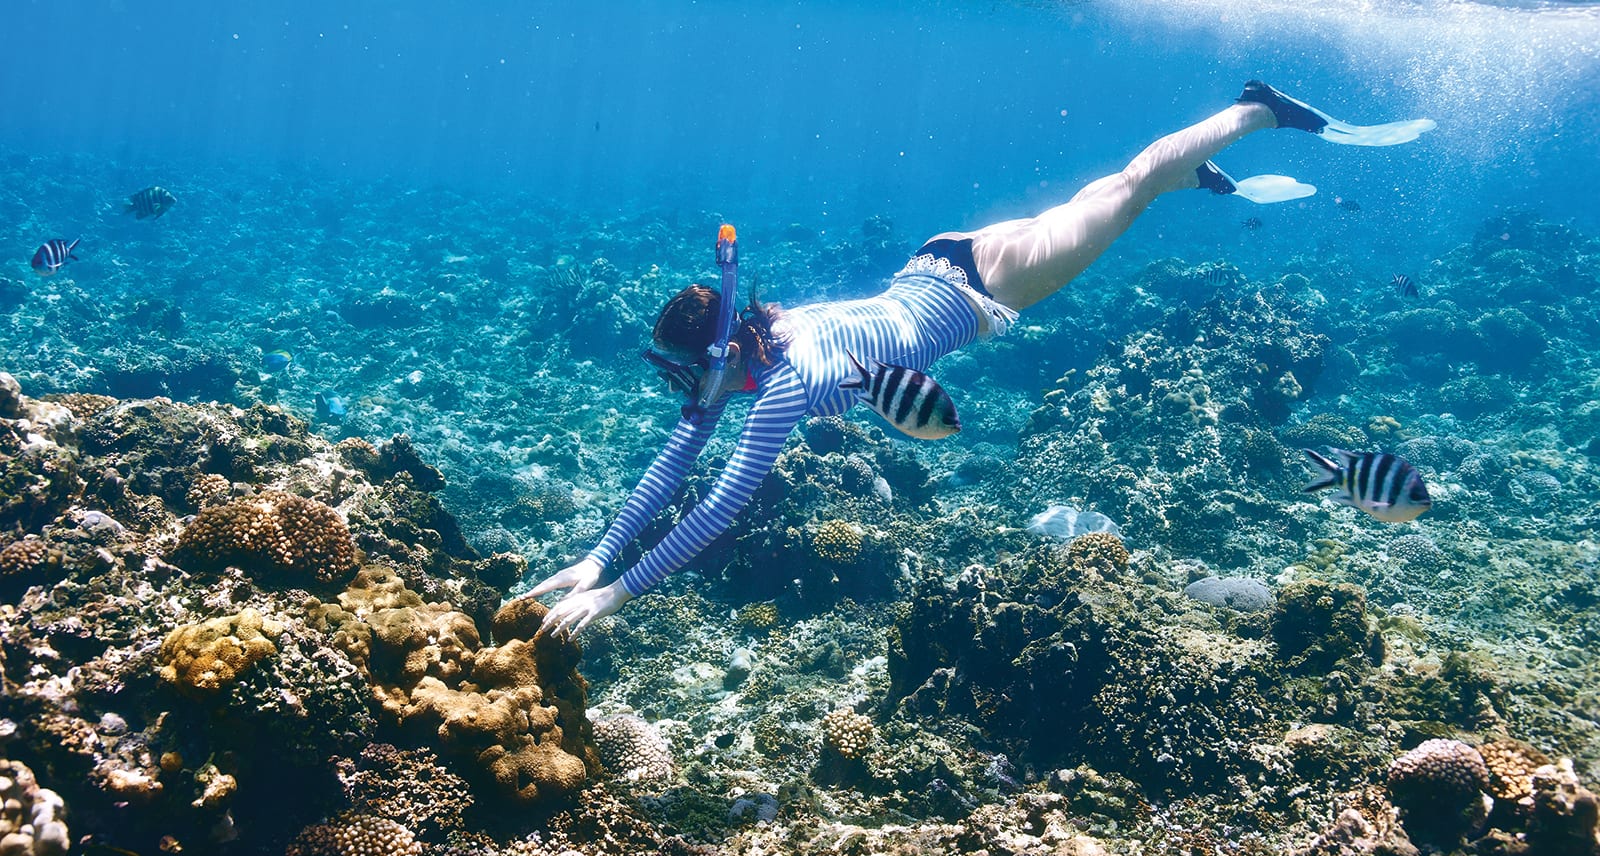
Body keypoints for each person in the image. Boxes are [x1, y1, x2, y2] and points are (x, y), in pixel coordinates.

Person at [527, 81, 1435, 637]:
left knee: (1125, 189)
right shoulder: (758, 348)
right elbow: (677, 460)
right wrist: (597, 559)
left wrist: (622, 594)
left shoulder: (781, 386)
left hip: (979, 288)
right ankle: (1189, 171)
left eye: (687, 375)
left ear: (720, 351)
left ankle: (1254, 109)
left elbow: (720, 503)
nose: (686, 395)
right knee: (1098, 204)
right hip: (937, 260)